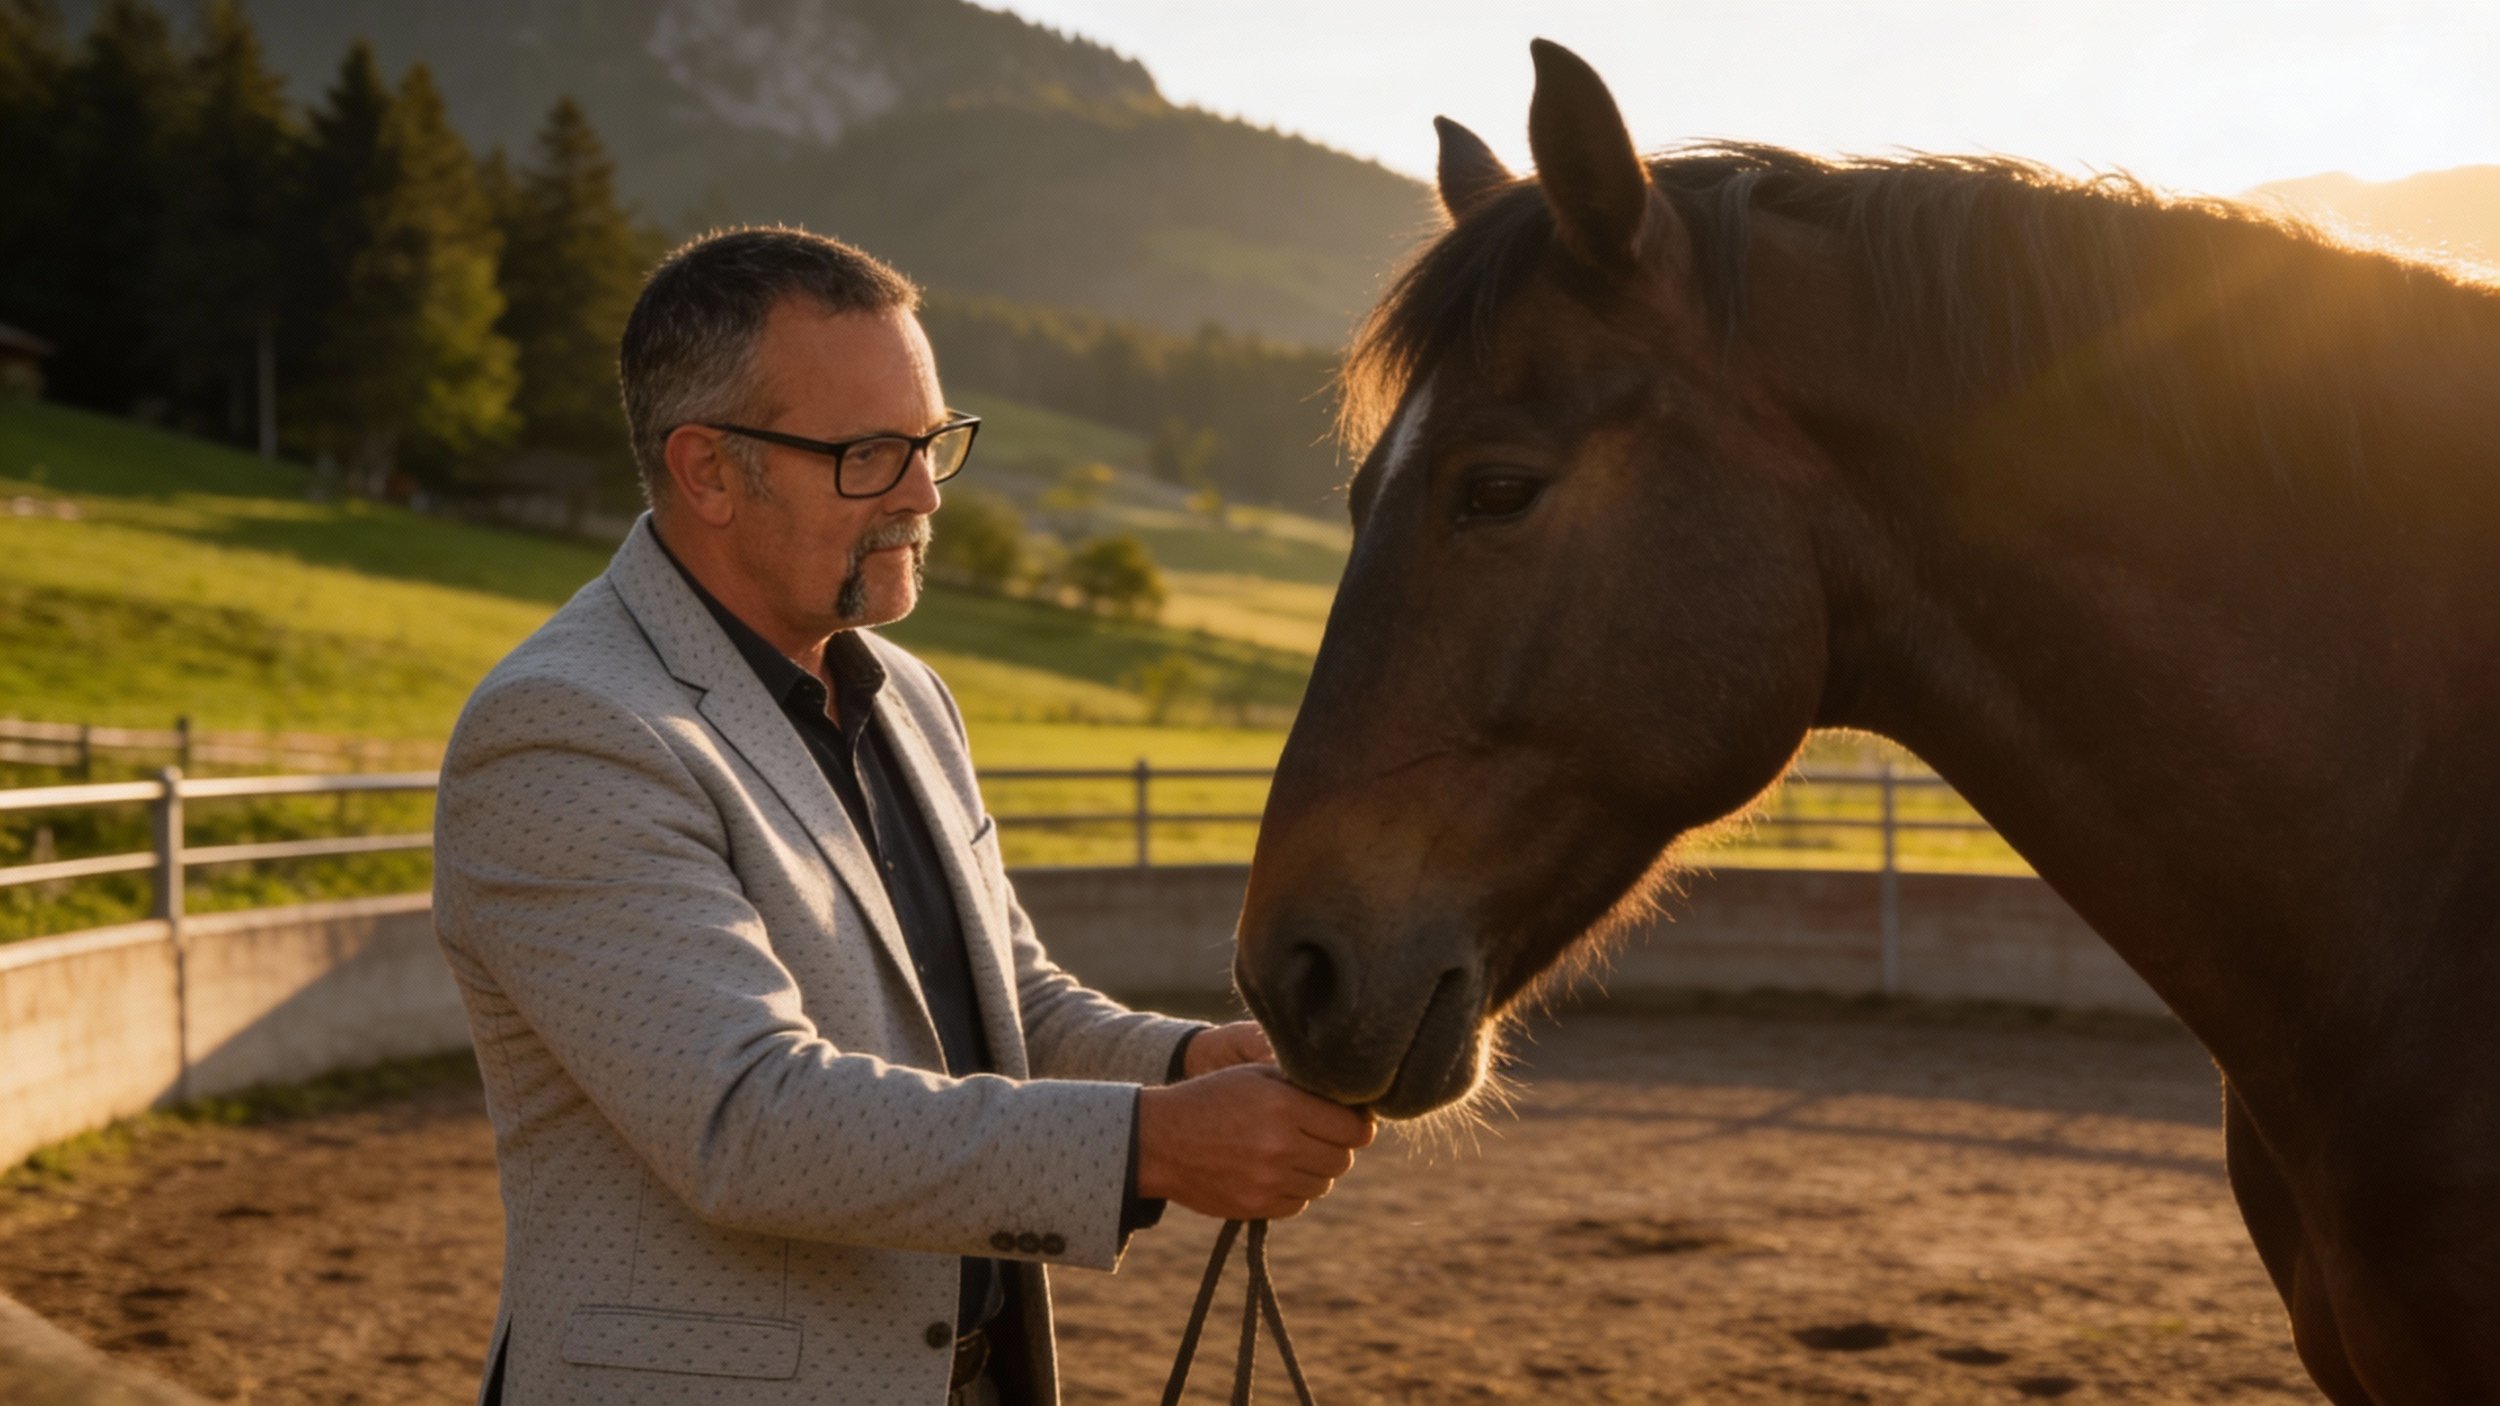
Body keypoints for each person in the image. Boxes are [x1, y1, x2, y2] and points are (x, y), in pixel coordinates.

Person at [430, 226, 1374, 1406]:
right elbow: (745, 1117)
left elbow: (1004, 1003)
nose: (926, 492)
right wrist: (1158, 1139)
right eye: (871, 452)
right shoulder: (567, 729)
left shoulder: (905, 691)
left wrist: (1183, 1060)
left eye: (932, 441)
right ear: (709, 470)